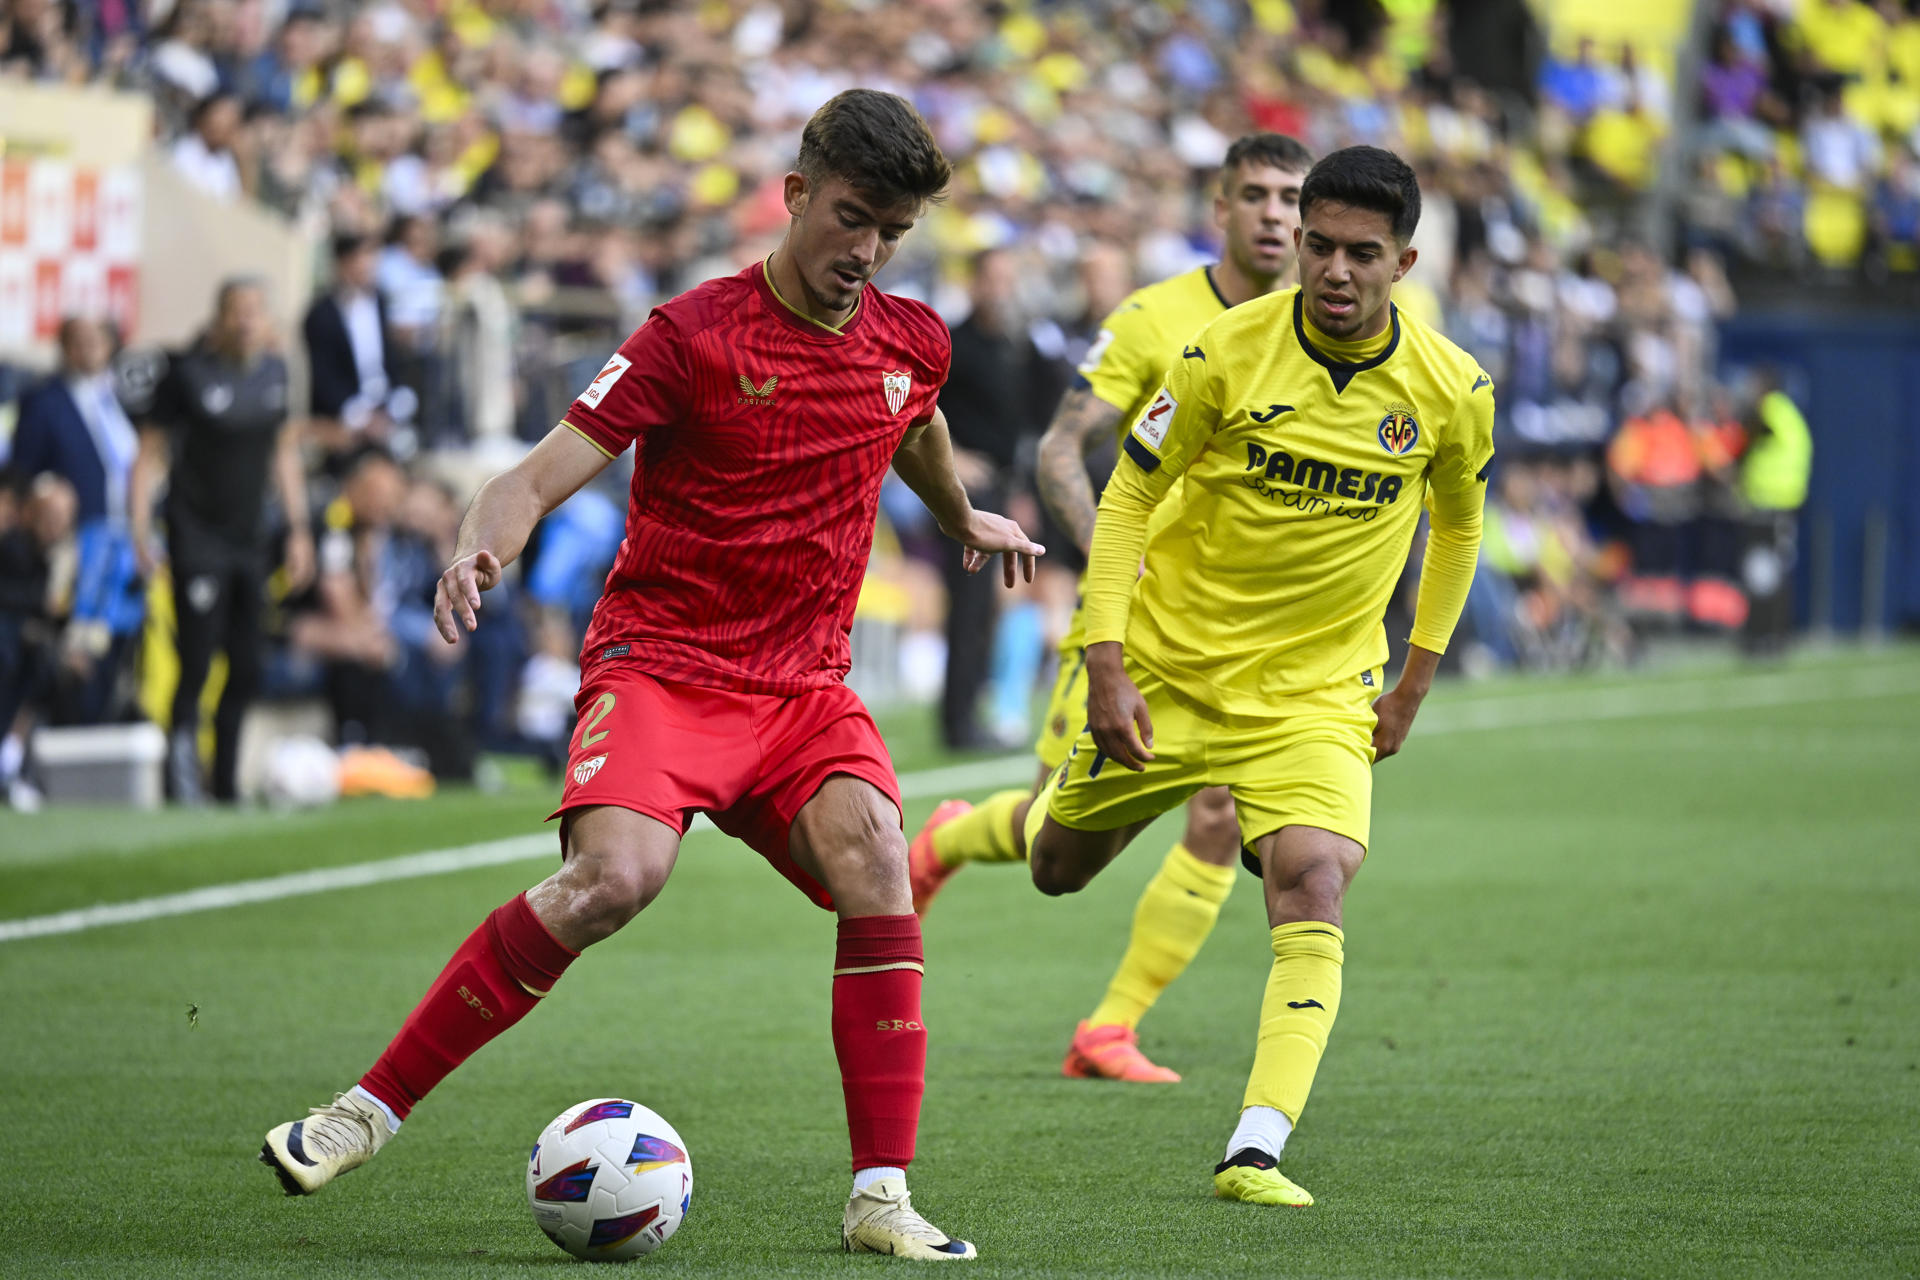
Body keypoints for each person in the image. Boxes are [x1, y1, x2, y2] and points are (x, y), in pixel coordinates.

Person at [258, 89, 1041, 1262]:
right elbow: (529, 478)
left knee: (879, 863)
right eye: (851, 217)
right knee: (611, 879)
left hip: (803, 687)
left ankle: (880, 1195)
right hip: (666, 668)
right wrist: (482, 544)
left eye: (893, 232)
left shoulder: (910, 338)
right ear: (794, 194)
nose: (868, 251)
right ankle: (358, 1114)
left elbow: (914, 421)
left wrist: (966, 512)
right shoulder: (692, 335)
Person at [1026, 146, 1491, 1206]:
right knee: (1058, 864)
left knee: (1315, 875)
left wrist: (1413, 677)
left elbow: (1459, 527)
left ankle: (1257, 1145)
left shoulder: (1451, 388)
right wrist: (1106, 659)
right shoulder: (1217, 354)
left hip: (1316, 695)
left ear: (1404, 261)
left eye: (1360, 253)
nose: (1333, 269)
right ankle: (992, 828)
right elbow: (1126, 499)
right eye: (1319, 245)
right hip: (1171, 671)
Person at [908, 133, 1314, 1085]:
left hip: (1250, 639)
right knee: (1060, 843)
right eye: (1253, 193)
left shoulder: (1321, 330)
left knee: (1220, 812)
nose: (1273, 213)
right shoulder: (1153, 316)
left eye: (1290, 197)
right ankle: (948, 837)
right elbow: (1059, 450)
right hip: (1138, 627)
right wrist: (1109, 560)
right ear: (1220, 207)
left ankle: (1109, 1029)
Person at [130, 278, 315, 803]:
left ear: (268, 320)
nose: (245, 321)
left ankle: (227, 784)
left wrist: (299, 531)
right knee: (195, 659)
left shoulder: (277, 374)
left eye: (255, 311)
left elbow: (284, 453)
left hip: (251, 540)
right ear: (219, 318)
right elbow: (148, 455)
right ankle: (180, 781)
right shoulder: (187, 376)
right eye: (236, 311)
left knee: (248, 662)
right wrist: (141, 529)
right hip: (197, 537)